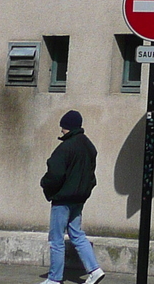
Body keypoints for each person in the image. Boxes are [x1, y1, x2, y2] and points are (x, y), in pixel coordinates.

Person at [40, 110, 104, 284]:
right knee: (77, 234)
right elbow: (90, 175)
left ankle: (54, 278)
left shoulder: (65, 147)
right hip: (79, 198)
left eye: (62, 128)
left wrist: (45, 185)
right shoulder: (89, 146)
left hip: (63, 199)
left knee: (56, 238)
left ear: (67, 127)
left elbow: (55, 174)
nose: (61, 131)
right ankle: (95, 270)